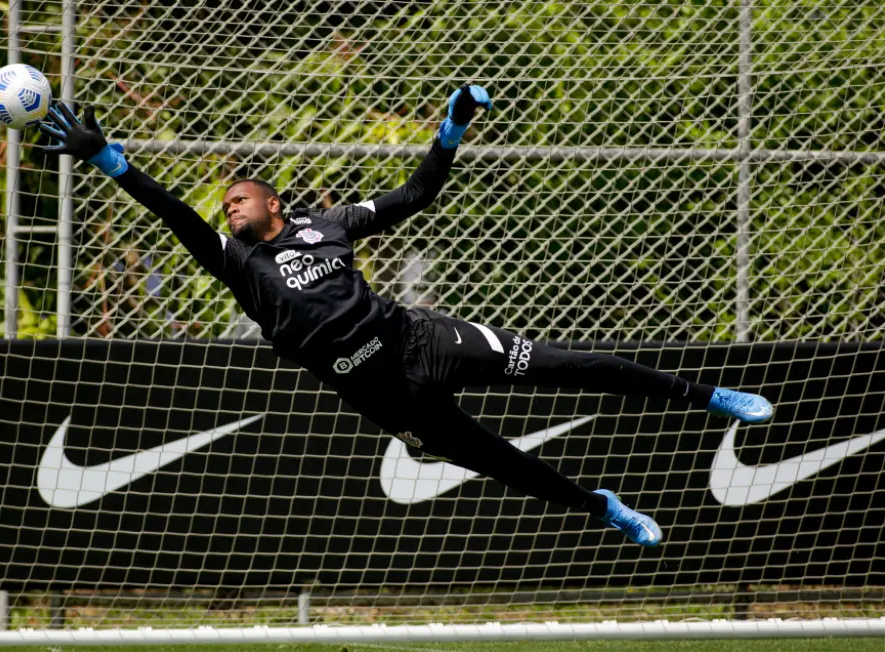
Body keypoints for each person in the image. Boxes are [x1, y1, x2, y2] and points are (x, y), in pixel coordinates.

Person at [38, 84, 772, 548]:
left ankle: (707, 397)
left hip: (424, 340)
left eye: (240, 198)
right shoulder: (237, 264)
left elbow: (416, 195)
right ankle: (600, 507)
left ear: (274, 205)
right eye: (226, 203)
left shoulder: (327, 225)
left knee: (567, 364)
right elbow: (177, 220)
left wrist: (448, 133)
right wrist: (110, 160)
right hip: (384, 395)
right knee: (503, 464)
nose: (228, 206)